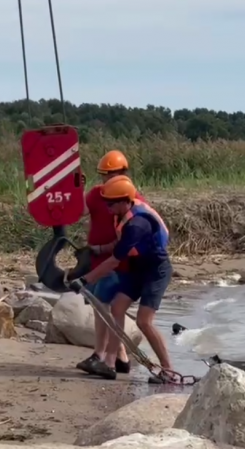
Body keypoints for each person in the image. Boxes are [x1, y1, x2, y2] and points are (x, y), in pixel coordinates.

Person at [69, 175, 175, 382]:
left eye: (110, 203)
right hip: (137, 270)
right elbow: (117, 246)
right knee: (117, 308)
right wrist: (96, 249)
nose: (107, 207)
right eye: (106, 202)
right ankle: (109, 363)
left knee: (144, 322)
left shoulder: (138, 224)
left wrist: (84, 280)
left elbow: (114, 261)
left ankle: (168, 371)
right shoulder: (121, 215)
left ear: (126, 201)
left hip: (155, 272)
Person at [75, 150, 146, 375]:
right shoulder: (98, 194)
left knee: (105, 307)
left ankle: (103, 355)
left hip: (116, 262)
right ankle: (120, 356)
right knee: (103, 309)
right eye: (106, 175)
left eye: (113, 174)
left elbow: (127, 237)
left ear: (123, 173)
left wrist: (101, 249)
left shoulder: (131, 198)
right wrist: (77, 189)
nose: (109, 179)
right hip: (98, 261)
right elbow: (81, 211)